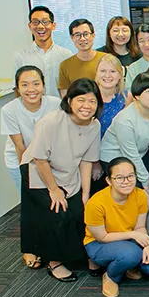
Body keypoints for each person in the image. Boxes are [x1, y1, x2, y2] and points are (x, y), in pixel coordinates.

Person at [20, 78, 102, 282]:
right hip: (38, 172)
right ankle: (54, 261)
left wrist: (85, 193)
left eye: (92, 101)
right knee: (58, 210)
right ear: (69, 100)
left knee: (80, 209)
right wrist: (54, 190)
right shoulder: (51, 122)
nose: (86, 106)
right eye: (81, 100)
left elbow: (86, 161)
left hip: (68, 173)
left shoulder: (94, 125)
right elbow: (39, 159)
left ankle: (84, 255)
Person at [1, 66, 61, 269]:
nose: (31, 89)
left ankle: (52, 246)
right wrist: (30, 176)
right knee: (31, 206)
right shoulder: (9, 110)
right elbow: (21, 148)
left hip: (51, 161)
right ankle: (31, 247)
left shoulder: (55, 104)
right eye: (24, 85)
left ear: (43, 85)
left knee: (50, 205)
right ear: (17, 88)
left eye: (36, 83)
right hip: (22, 161)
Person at [84, 157, 149, 297]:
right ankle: (111, 276)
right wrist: (134, 236)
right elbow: (102, 237)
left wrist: (146, 245)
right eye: (119, 178)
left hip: (129, 239)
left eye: (130, 176)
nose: (126, 181)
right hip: (99, 243)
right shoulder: (96, 203)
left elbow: (140, 227)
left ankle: (127, 264)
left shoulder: (140, 195)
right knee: (132, 254)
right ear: (109, 181)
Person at [100, 71, 149, 235]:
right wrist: (145, 181)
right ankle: (135, 236)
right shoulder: (124, 119)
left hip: (140, 154)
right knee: (143, 198)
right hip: (115, 157)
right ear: (137, 96)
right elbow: (129, 154)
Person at [15, 5, 73, 97]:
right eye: (35, 22)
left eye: (45, 22)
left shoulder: (66, 55)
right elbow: (17, 89)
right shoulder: (21, 57)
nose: (40, 26)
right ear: (30, 26)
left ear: (53, 25)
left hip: (60, 109)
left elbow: (71, 88)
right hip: (34, 110)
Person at [58, 18, 105, 97]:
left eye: (86, 34)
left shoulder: (106, 59)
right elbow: (65, 97)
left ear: (93, 35)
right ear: (72, 38)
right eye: (77, 35)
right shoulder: (65, 65)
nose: (82, 39)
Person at [95, 54, 128, 137]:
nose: (107, 75)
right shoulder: (87, 96)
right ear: (96, 73)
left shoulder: (127, 97)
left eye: (113, 71)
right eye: (103, 71)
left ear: (120, 75)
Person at [125, 23, 149, 90]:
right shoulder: (133, 68)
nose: (146, 44)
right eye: (141, 41)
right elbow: (130, 93)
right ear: (137, 44)